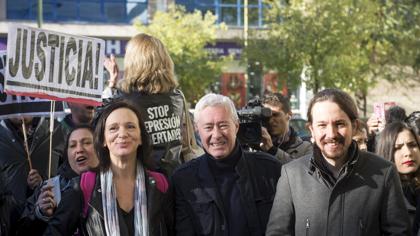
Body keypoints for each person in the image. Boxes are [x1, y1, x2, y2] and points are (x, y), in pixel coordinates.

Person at [266, 88, 410, 236]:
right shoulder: (292, 175)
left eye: (339, 124)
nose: (332, 134)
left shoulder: (384, 173)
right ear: (311, 130)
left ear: (354, 126)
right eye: (322, 125)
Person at [171, 93, 282, 236]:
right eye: (208, 127)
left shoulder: (270, 170)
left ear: (236, 126)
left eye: (223, 125)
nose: (216, 135)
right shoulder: (184, 179)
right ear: (197, 129)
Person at [101, 34, 186, 176]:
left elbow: (99, 121)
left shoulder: (124, 99)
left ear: (133, 62)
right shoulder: (177, 96)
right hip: (175, 177)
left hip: (142, 181)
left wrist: (112, 82)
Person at [16, 125, 100, 235]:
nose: (79, 149)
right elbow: (21, 232)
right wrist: (39, 214)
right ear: (67, 154)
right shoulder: (49, 188)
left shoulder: (114, 182)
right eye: (72, 145)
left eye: (87, 143)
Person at [0, 116, 65, 204]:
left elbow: (66, 174)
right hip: (9, 214)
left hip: (50, 210)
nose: (21, 109)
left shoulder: (55, 129)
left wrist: (43, 184)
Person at [376, 121, 420, 233]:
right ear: (387, 152)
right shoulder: (378, 195)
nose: (408, 153)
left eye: (412, 145)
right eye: (398, 148)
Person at [260, 93, 312, 163]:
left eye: (275, 115)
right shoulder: (257, 144)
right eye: (267, 116)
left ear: (289, 115)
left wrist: (272, 151)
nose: (270, 120)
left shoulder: (305, 148)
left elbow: (302, 172)